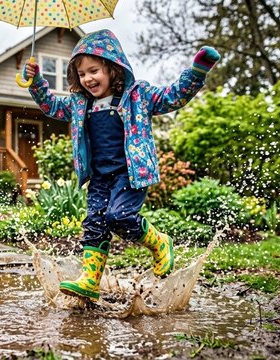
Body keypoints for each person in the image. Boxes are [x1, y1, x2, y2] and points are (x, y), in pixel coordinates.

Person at [23, 29, 220, 302]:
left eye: (94, 71)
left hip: (130, 173)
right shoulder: (81, 104)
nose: (88, 79)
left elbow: (173, 96)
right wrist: (35, 83)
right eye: (81, 74)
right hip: (100, 177)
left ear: (113, 68)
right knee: (94, 223)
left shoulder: (137, 96)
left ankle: (159, 242)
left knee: (119, 217)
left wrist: (196, 73)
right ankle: (91, 280)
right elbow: (52, 106)